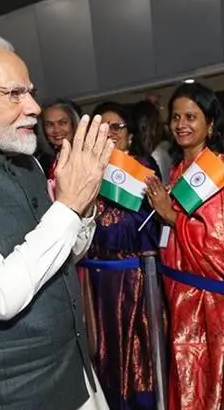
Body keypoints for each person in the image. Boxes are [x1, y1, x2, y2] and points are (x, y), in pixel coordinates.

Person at [0, 32, 114, 409]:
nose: (33, 106)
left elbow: (61, 256)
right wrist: (67, 206)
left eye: (29, 91)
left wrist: (82, 207)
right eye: (13, 94)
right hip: (7, 397)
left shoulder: (25, 161)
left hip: (76, 375)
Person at [145, 82, 224, 410]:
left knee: (206, 379)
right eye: (176, 117)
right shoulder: (178, 170)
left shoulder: (217, 168)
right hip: (180, 291)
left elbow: (216, 244)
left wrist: (171, 216)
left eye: (191, 116)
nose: (181, 124)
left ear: (210, 124)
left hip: (207, 297)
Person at [84, 102, 163, 409]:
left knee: (137, 353)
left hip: (134, 279)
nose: (110, 133)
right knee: (104, 350)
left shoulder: (143, 168)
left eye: (117, 127)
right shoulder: (88, 170)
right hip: (96, 280)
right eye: (103, 127)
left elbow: (145, 225)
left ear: (130, 134)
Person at [37, 99, 82, 178]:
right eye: (50, 124)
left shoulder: (86, 154)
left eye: (63, 122)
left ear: (73, 124)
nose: (56, 130)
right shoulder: (42, 161)